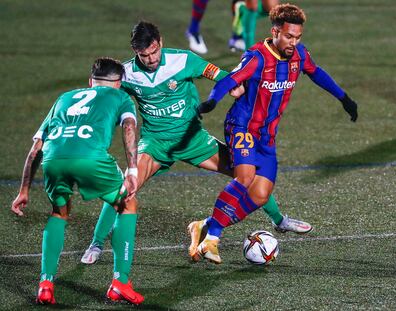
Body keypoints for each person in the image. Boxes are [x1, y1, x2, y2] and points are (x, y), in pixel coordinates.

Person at [81, 21, 312, 265]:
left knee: (250, 174)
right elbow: (107, 92)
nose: (150, 59)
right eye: (143, 55)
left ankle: (279, 220)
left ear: (160, 43)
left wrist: (235, 86)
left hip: (194, 139)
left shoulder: (183, 60)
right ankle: (95, 244)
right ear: (136, 51)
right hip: (155, 144)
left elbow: (218, 74)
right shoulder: (127, 72)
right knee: (125, 189)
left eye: (153, 52)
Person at [191, 3, 359, 264]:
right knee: (244, 176)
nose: (294, 42)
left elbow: (318, 74)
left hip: (267, 137)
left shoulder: (299, 56)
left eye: (298, 37)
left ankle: (204, 225)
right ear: (275, 32)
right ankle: (213, 238)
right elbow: (230, 80)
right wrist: (212, 100)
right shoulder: (257, 56)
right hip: (242, 126)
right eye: (289, 36)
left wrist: (344, 98)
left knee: (259, 195)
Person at [11, 58, 144, 305]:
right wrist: (133, 170)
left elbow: (35, 149)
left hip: (54, 160)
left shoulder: (64, 98)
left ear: (90, 81)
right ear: (119, 83)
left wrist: (24, 191)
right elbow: (128, 129)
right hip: (90, 159)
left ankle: (45, 284)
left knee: (59, 213)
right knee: (127, 204)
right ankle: (120, 282)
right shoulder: (122, 98)